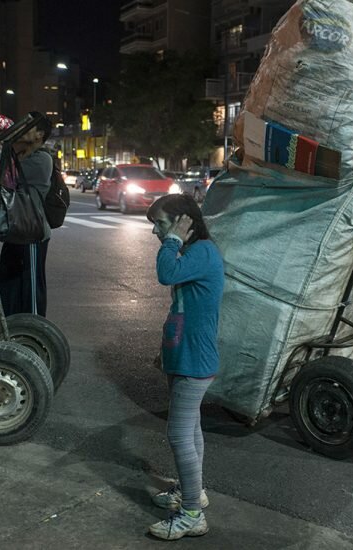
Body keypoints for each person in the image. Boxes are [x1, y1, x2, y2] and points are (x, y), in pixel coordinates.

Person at [145, 194, 224, 541]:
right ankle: (193, 492)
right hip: (184, 355)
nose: (156, 233)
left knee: (179, 435)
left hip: (195, 360)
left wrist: (173, 239)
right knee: (191, 432)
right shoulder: (195, 253)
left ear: (183, 222)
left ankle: (192, 513)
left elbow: (166, 273)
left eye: (161, 224)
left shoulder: (202, 252)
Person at [0, 112, 53, 316]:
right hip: (16, 230)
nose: (22, 129)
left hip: (31, 232)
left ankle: (34, 335)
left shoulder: (41, 159)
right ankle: (13, 330)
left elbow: (3, 175)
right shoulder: (21, 156)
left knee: (30, 291)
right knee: (8, 285)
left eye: (29, 127)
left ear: (40, 134)